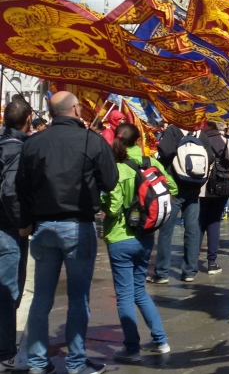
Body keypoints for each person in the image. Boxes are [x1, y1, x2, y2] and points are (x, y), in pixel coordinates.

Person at [16, 91, 118, 374]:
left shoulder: (34, 142)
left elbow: (21, 187)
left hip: (44, 227)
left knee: (41, 298)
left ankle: (37, 362)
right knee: (78, 298)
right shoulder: (90, 140)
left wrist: (27, 220)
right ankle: (75, 362)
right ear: (75, 109)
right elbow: (110, 181)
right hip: (76, 225)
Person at [102, 123, 173, 363]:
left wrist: (102, 201)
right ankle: (161, 340)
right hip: (145, 236)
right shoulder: (151, 163)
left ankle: (132, 348)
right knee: (139, 290)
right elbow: (171, 187)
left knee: (124, 295)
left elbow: (112, 209)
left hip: (120, 238)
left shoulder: (118, 169)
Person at [147, 122, 213, 284]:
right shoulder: (200, 134)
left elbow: (164, 150)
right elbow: (210, 157)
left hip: (174, 187)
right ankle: (190, 271)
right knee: (192, 229)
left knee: (166, 231)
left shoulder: (173, 130)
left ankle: (162, 273)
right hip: (194, 187)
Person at [0, 99, 33, 372]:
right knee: (9, 292)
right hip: (8, 231)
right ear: (28, 120)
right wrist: (22, 223)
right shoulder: (17, 150)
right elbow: (10, 191)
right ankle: (7, 352)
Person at [200, 121, 229, 274]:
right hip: (222, 186)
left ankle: (192, 262)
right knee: (214, 222)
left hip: (203, 187)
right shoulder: (228, 142)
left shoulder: (201, 139)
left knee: (199, 223)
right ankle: (212, 262)